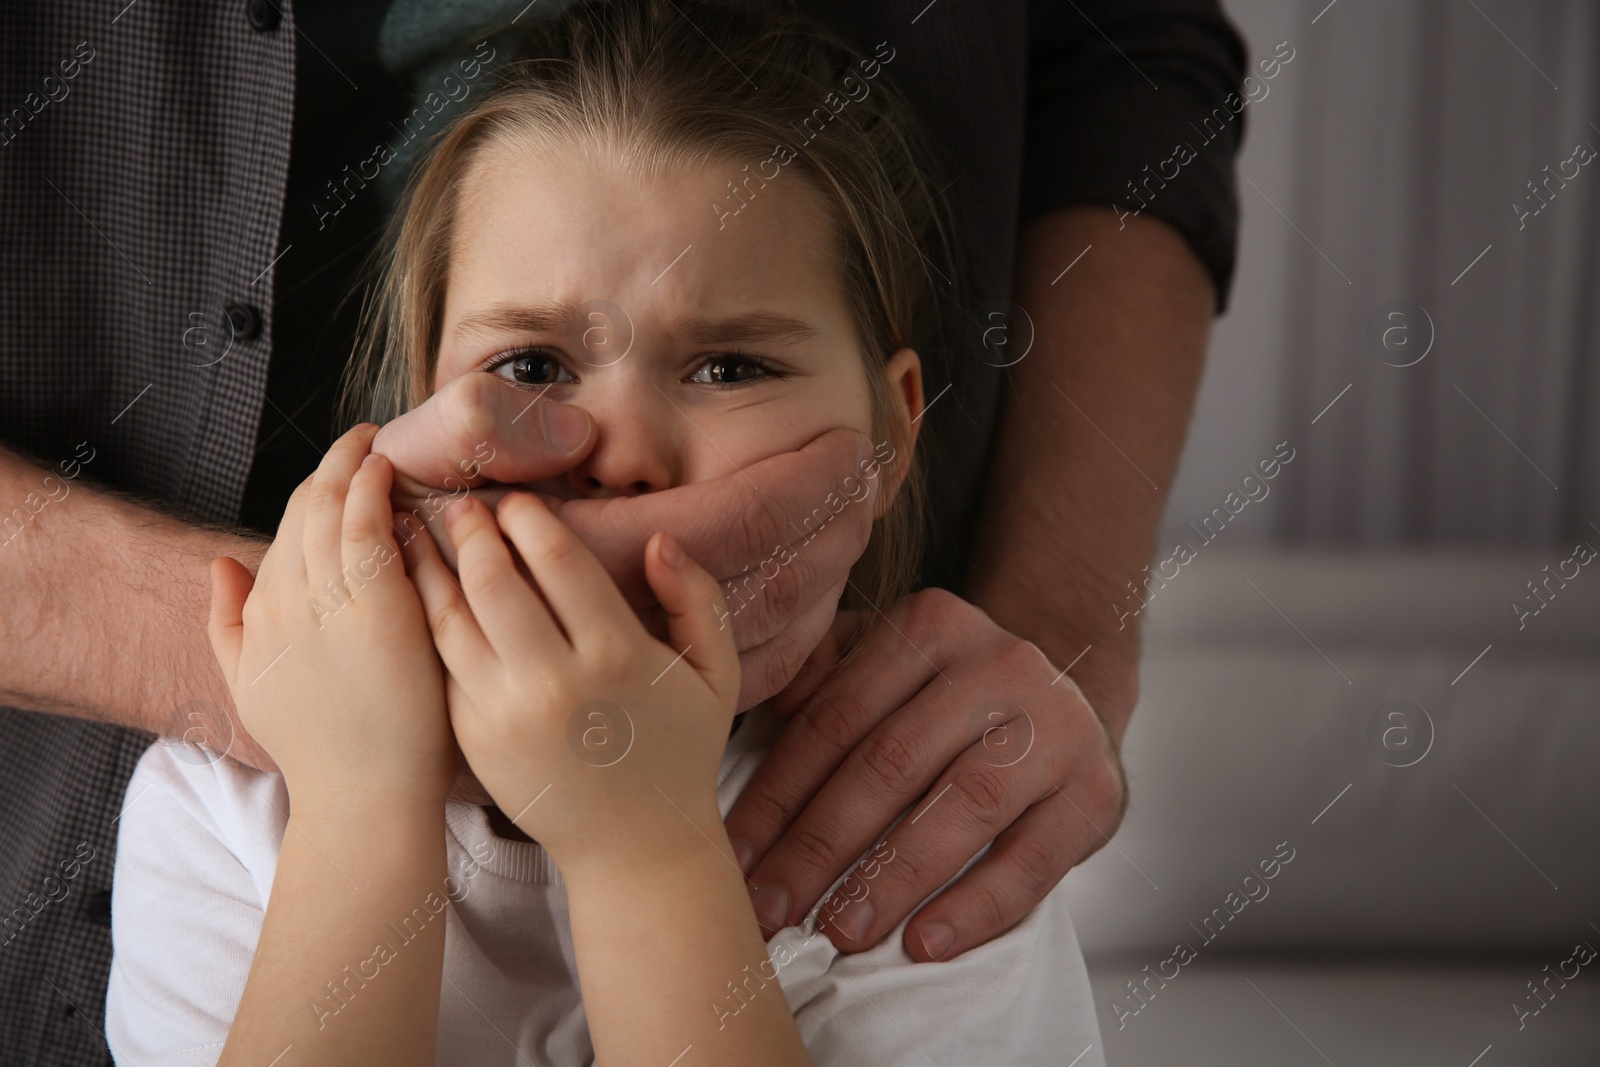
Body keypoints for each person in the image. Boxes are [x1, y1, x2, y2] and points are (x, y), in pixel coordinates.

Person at [0, 0, 1243, 1061]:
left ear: (891, 428)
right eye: (531, 360)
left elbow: (1129, 55)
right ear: (409, 410)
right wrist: (366, 802)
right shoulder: (219, 813)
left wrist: (646, 848)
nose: (628, 447)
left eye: (731, 365)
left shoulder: (903, 839)